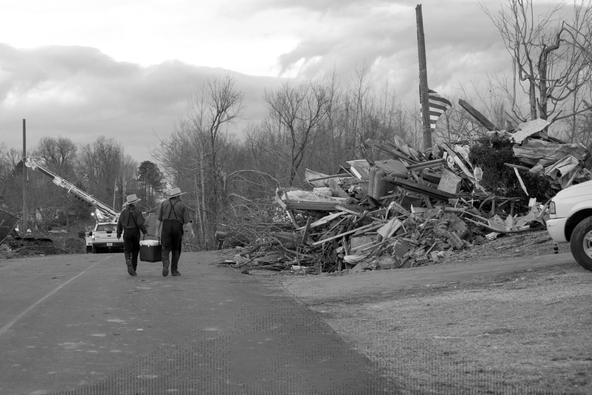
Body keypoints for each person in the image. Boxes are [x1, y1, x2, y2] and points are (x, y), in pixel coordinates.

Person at [156, 187, 195, 277]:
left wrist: (157, 232)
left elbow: (158, 220)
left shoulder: (164, 203)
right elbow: (187, 221)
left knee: (165, 248)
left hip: (166, 226)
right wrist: (191, 231)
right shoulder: (182, 205)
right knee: (176, 249)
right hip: (177, 227)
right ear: (178, 196)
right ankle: (174, 270)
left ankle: (166, 262)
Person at [117, 194, 148, 276]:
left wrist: (119, 233)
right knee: (135, 250)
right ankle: (133, 268)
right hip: (135, 232)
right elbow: (140, 224)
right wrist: (145, 232)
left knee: (127, 249)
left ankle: (127, 259)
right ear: (135, 203)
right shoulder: (138, 211)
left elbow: (119, 223)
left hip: (126, 231)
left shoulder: (123, 212)